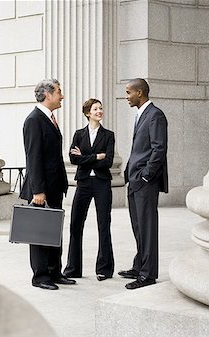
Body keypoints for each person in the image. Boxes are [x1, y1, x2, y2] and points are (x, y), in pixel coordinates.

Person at [19, 78, 76, 290]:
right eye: (59, 92)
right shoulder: (34, 120)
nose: (62, 96)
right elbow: (33, 158)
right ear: (48, 95)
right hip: (41, 190)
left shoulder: (50, 119)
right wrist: (38, 191)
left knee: (53, 231)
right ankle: (41, 276)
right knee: (40, 233)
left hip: (54, 187)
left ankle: (54, 272)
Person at [119, 78, 168, 289]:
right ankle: (139, 266)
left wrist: (146, 175)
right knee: (138, 226)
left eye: (129, 92)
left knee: (147, 227)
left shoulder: (155, 115)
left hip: (145, 182)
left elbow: (159, 149)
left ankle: (148, 274)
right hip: (135, 180)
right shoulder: (141, 115)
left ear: (140, 93)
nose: (126, 96)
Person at [63, 98, 115, 281]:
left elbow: (108, 161)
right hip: (83, 183)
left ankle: (104, 269)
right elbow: (73, 159)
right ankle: (73, 268)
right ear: (87, 113)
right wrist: (95, 157)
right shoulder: (78, 134)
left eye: (101, 108)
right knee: (75, 224)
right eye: (95, 109)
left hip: (102, 183)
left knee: (104, 225)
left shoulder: (109, 135)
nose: (99, 111)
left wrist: (86, 157)